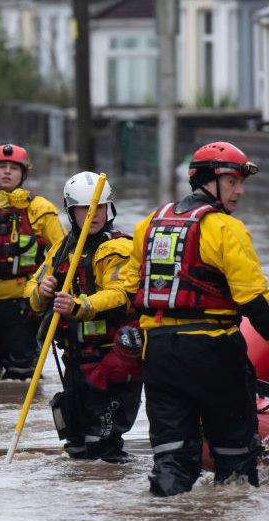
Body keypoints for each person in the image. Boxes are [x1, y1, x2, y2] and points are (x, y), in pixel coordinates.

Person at [120, 141, 269, 496]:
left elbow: (127, 291)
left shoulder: (148, 225)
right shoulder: (226, 229)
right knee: (235, 459)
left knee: (172, 457)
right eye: (232, 182)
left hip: (159, 356)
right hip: (214, 352)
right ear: (207, 181)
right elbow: (253, 301)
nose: (240, 191)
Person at [25, 172, 142, 462]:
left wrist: (80, 306)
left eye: (100, 207)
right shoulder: (62, 250)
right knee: (77, 444)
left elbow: (120, 292)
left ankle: (108, 494)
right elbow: (32, 289)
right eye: (85, 209)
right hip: (75, 358)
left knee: (104, 444)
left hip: (110, 357)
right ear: (71, 211)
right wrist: (43, 290)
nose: (94, 215)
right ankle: (80, 497)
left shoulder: (119, 247)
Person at [0, 144, 65, 379]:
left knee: (22, 375)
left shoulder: (41, 210)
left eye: (13, 168)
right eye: (2, 167)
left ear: (24, 173)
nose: (7, 172)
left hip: (24, 306)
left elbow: (62, 253)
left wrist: (41, 287)